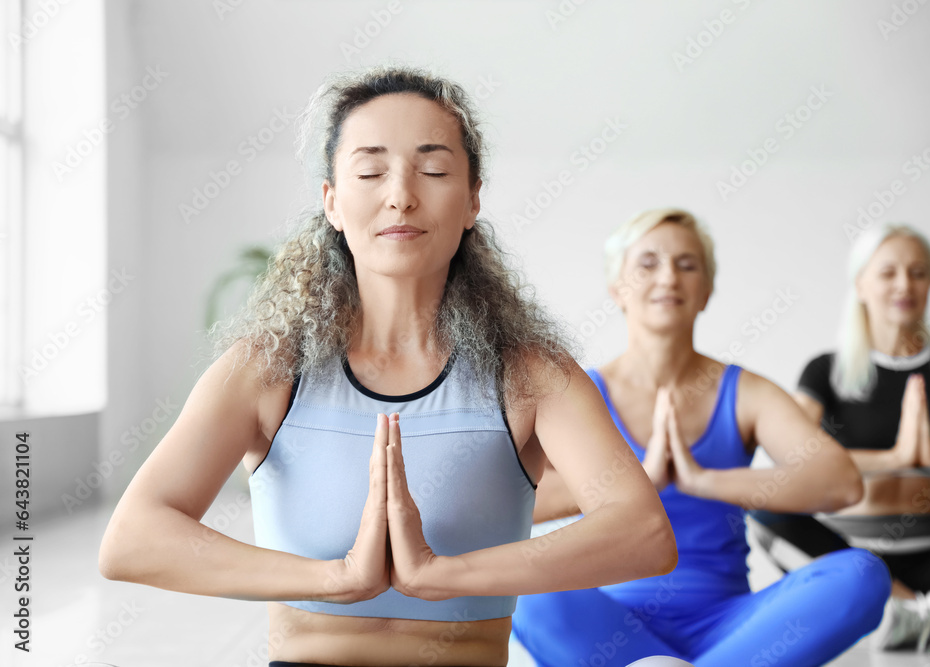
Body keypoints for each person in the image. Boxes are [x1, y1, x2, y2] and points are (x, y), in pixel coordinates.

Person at [97, 66, 677, 667]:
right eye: (370, 171)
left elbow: (644, 533)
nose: (400, 194)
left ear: (473, 199)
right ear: (332, 203)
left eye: (433, 170)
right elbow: (132, 540)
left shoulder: (530, 375)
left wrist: (441, 574)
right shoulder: (268, 369)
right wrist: (336, 580)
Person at [511, 208, 891, 667]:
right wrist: (638, 480)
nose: (669, 276)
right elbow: (512, 506)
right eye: (647, 264)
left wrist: (703, 480)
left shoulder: (745, 392)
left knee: (862, 574)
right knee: (521, 583)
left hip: (732, 627)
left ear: (706, 290)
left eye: (687, 264)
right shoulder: (578, 394)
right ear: (617, 289)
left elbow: (840, 482)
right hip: (611, 626)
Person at [749, 222, 930, 652]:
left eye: (918, 272)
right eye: (888, 273)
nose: (904, 284)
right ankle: (927, 612)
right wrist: (896, 458)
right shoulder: (825, 371)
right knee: (764, 509)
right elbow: (791, 459)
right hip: (857, 560)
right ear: (861, 283)